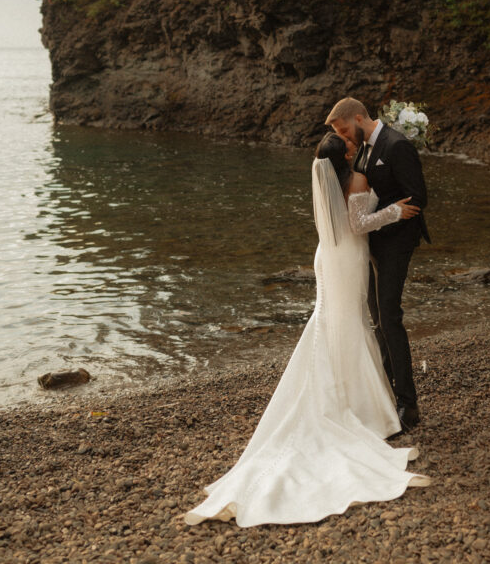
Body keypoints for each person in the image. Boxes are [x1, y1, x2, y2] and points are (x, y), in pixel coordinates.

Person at [183, 133, 430, 527]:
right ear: (346, 155)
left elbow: (341, 221)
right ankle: (365, 407)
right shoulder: (358, 181)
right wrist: (395, 213)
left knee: (332, 318)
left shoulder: (324, 178)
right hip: (348, 255)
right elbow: (359, 223)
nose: (353, 146)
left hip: (327, 255)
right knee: (350, 320)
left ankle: (344, 390)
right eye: (348, 145)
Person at [326, 97, 429, 434]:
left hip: (397, 243)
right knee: (378, 320)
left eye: (344, 129)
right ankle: (385, 390)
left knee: (389, 317)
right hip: (373, 245)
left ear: (358, 117)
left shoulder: (396, 144)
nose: (345, 137)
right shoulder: (366, 149)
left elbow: (416, 197)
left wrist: (390, 216)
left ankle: (407, 402)